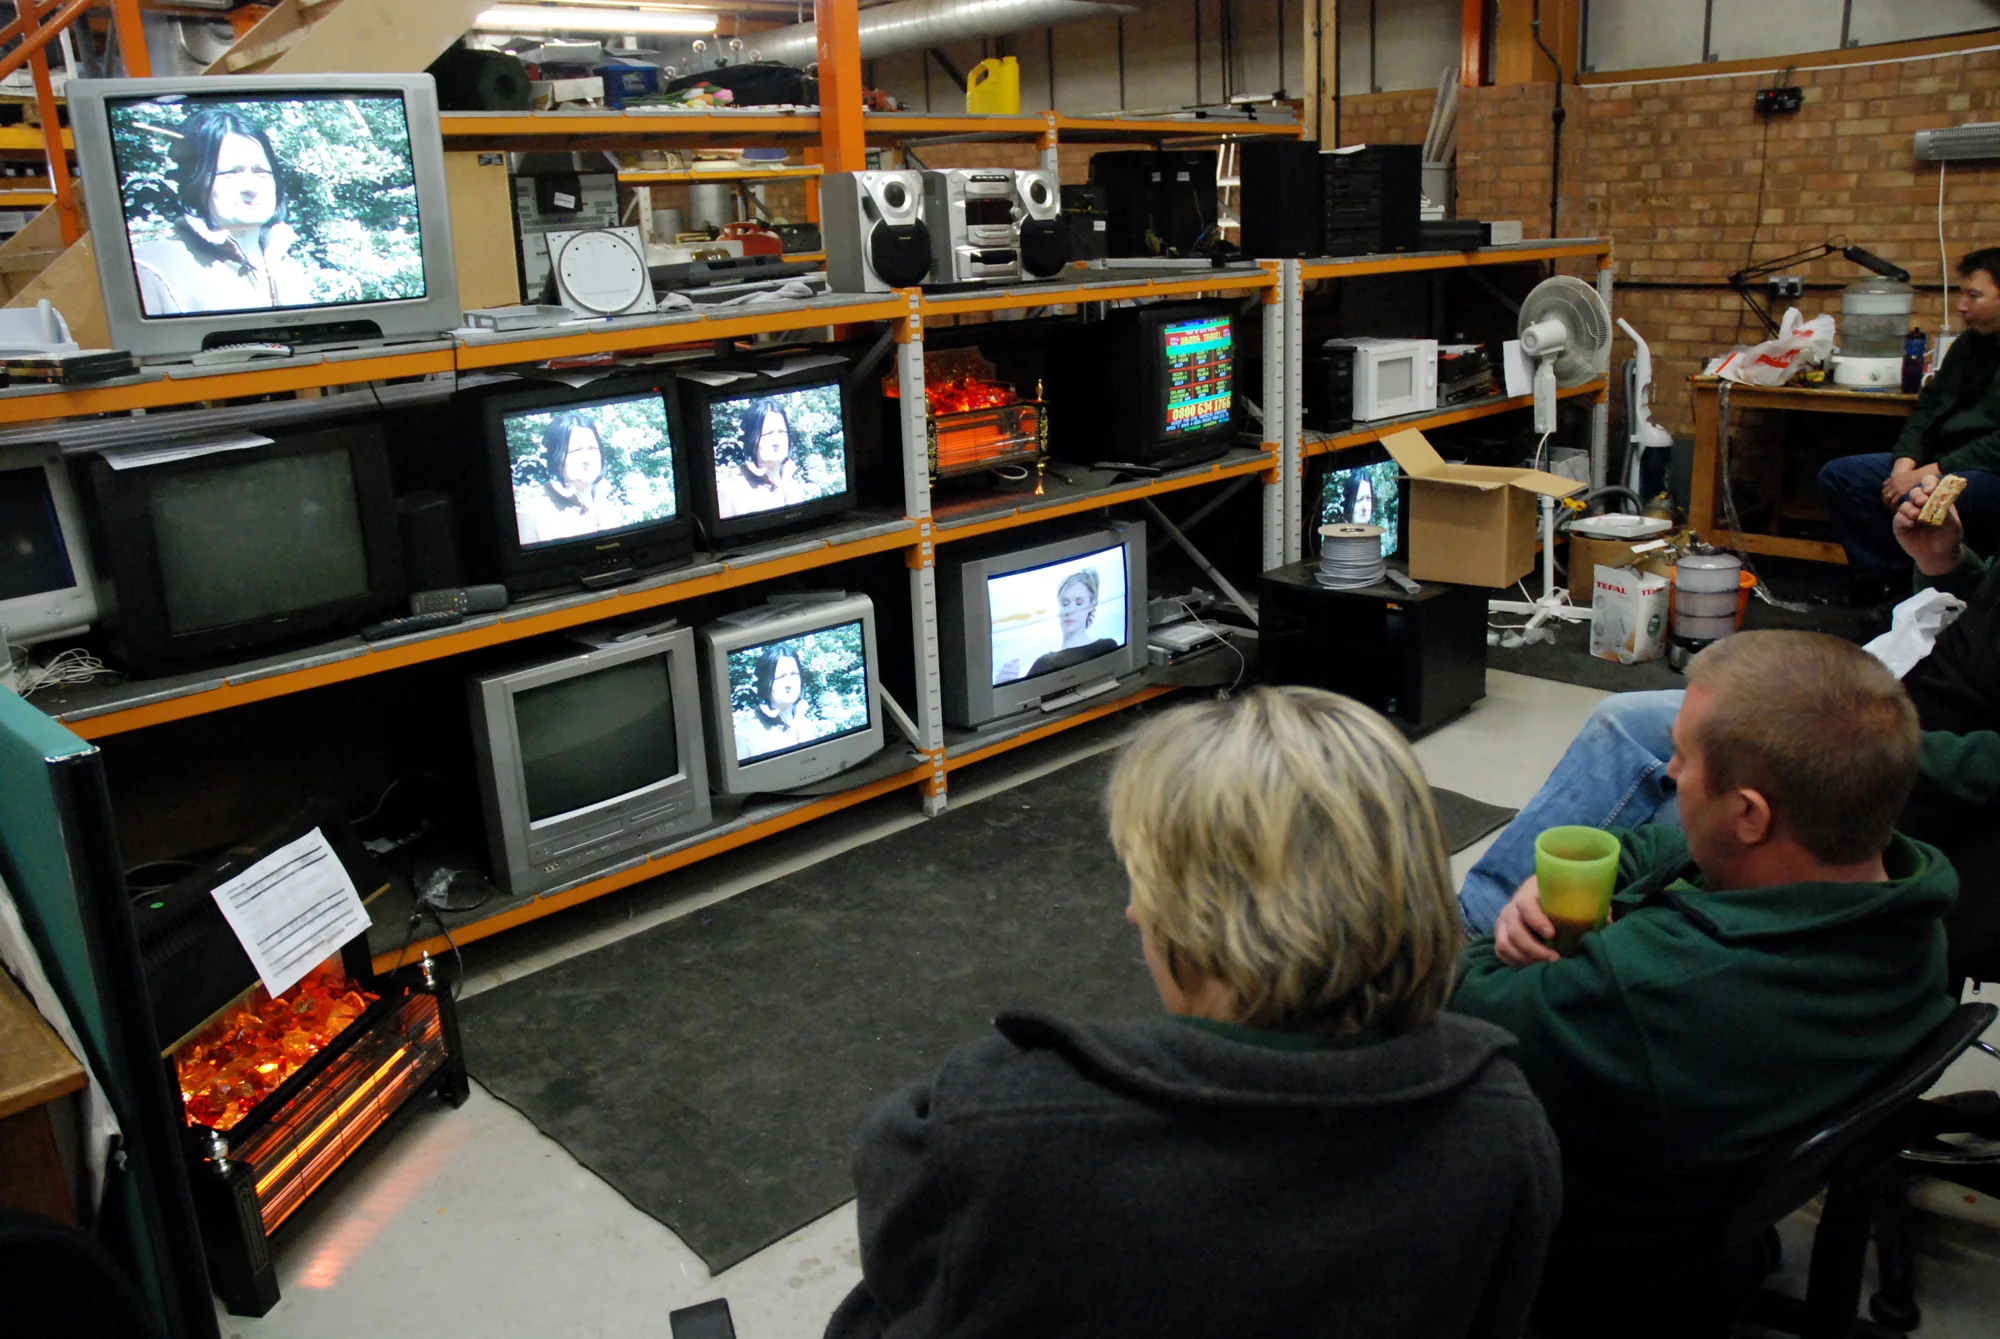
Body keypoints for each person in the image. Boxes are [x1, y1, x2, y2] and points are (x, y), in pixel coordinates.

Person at [825, 687, 1562, 1339]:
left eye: (1149, 882)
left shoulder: (1001, 1126)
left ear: (1205, 917)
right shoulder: (1499, 1124)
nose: (1133, 909)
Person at [1451, 631, 1958, 1335]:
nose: (1664, 768)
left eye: (1683, 760)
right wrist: (1579, 874)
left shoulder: (1648, 989)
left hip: (1583, 1270)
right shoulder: (1907, 893)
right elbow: (1656, 844)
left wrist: (1485, 946)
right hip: (1708, 1202)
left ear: (1750, 814)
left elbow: (1465, 1005)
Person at [1459, 477, 2000, 985]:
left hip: (1903, 767)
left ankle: (1529, 955)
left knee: (1689, 793)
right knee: (1624, 721)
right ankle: (1480, 921)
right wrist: (1947, 565)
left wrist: (1856, 746)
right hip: (1890, 702)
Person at [1819, 247, 2000, 600]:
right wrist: (1904, 463)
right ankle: (1891, 586)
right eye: (1962, 293)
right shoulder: (1967, 346)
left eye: (1973, 295)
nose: (1962, 305)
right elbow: (1927, 408)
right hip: (1935, 461)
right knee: (1841, 477)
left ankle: (1950, 589)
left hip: (1983, 472)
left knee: (1926, 495)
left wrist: (1926, 472)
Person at [129, 109, 316, 315]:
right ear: (196, 181)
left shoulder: (285, 265)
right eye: (230, 173)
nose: (250, 187)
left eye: (261, 172)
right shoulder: (153, 269)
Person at [996, 568, 1120, 683]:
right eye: (1065, 603)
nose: (1069, 611)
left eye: (1078, 603)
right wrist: (1003, 683)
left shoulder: (1108, 647)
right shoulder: (1043, 664)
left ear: (1092, 604)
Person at [515, 413, 622, 545]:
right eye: (576, 451)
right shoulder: (533, 513)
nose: (587, 459)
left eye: (592, 448)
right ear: (556, 457)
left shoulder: (605, 504)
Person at [715, 398, 809, 518]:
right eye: (768, 433)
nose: (777, 441)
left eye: (781, 432)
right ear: (751, 439)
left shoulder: (792, 484)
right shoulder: (731, 491)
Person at [733, 645, 821, 758]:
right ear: (766, 682)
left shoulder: (806, 724)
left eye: (794, 674)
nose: (789, 683)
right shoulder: (745, 735)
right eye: (781, 677)